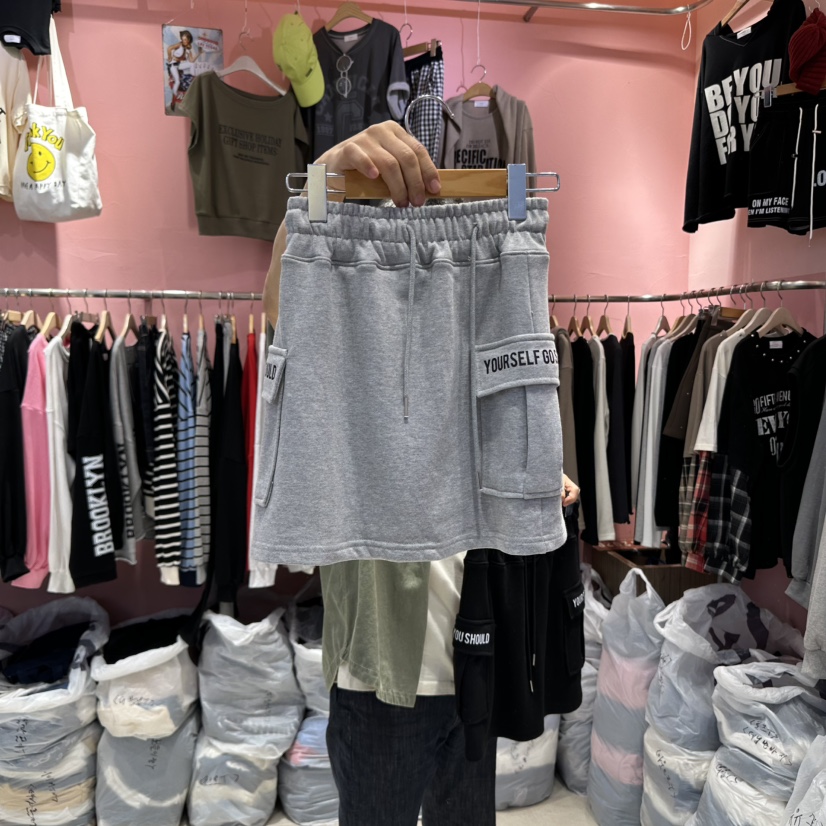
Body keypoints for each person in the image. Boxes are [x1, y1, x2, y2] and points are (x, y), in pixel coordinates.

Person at [262, 121, 581, 825]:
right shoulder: (347, 324)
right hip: (379, 675)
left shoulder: (489, 316)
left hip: (478, 657)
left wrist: (539, 490)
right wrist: (322, 179)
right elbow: (283, 305)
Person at [167, 30, 200, 111]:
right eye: (183, 39)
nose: (184, 41)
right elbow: (169, 48)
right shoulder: (179, 45)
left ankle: (193, 79)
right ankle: (174, 98)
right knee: (177, 81)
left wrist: (199, 53)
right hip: (173, 65)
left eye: (185, 39)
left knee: (192, 64)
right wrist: (169, 57)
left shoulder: (188, 48)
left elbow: (191, 60)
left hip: (179, 65)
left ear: (189, 39)